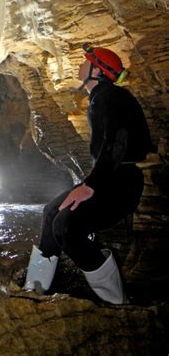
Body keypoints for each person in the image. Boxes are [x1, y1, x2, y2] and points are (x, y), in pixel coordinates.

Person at [24, 44, 153, 304]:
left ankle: (117, 301)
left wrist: (91, 185)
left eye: (87, 62)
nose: (80, 65)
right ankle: (34, 288)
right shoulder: (102, 97)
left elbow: (117, 141)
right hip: (112, 178)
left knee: (67, 225)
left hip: (122, 181)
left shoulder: (111, 97)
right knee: (51, 211)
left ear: (98, 71)